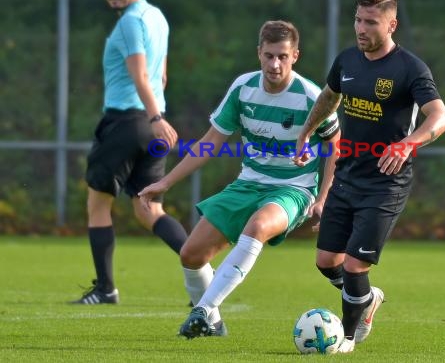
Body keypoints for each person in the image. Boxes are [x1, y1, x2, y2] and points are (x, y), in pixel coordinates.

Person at [139, 20, 340, 338]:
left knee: (258, 227)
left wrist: (323, 198)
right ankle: (214, 323)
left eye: (283, 57)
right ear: (258, 53)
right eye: (269, 55)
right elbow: (210, 143)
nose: (275, 64)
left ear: (295, 56)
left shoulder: (310, 97)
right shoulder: (243, 88)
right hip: (248, 183)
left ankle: (202, 311)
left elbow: (335, 146)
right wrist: (167, 182)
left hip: (294, 188)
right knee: (191, 255)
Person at [294, 0, 445, 353]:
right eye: (357, 20)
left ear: (391, 25)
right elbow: (329, 97)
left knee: (353, 266)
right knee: (325, 261)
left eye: (371, 22)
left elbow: (440, 117)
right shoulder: (347, 60)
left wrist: (408, 142)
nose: (361, 29)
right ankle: (366, 298)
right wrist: (306, 132)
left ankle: (346, 339)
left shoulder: (410, 69)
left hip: (386, 184)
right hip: (347, 176)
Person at [72, 0, 187, 305]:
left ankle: (106, 289)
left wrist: (154, 118)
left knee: (97, 203)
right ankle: (206, 273)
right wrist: (157, 118)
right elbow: (161, 76)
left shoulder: (130, 24)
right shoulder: (158, 18)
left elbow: (140, 76)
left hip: (128, 122)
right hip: (151, 126)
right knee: (148, 208)